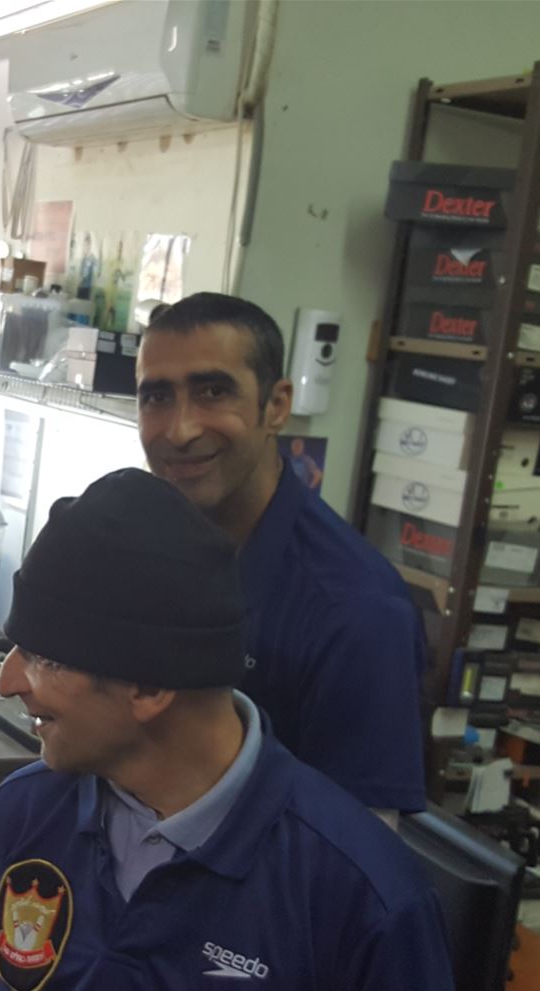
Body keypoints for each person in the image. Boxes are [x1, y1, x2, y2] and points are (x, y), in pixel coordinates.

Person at [0, 468, 457, 991]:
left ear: (149, 685)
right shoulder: (20, 814)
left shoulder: (365, 905)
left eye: (44, 657)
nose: (9, 681)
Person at [135, 292, 427, 818]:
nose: (179, 430)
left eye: (213, 392)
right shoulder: (147, 548)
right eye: (156, 397)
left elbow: (361, 849)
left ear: (276, 406)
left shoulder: (359, 610)